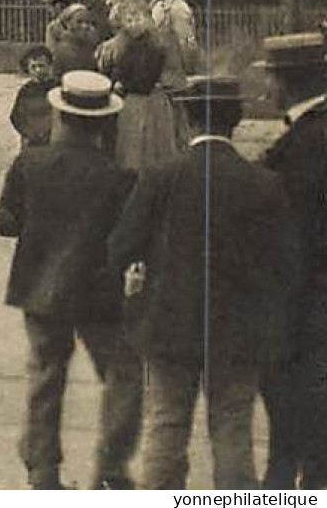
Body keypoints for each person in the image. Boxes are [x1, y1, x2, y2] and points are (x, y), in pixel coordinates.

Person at [108, 76, 296, 490]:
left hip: (169, 323)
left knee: (166, 424)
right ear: (237, 120)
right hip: (239, 329)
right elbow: (285, 261)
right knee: (232, 428)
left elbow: (121, 245)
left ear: (187, 119)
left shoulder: (160, 176)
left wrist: (140, 272)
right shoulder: (264, 183)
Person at [0, 70, 142, 491]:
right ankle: (112, 466)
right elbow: (128, 239)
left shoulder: (29, 163)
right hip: (98, 291)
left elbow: (5, 222)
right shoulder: (119, 178)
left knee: (45, 374)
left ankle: (42, 469)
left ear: (61, 116)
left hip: (39, 287)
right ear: (104, 123)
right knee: (123, 372)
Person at [252, 32, 327, 489]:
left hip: (305, 304)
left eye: (272, 78)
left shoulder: (308, 143)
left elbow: (297, 233)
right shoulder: (308, 132)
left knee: (298, 414)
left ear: (290, 82)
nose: (267, 89)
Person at [95, 0, 185, 174]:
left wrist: (124, 84)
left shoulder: (156, 44)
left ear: (147, 19)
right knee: (132, 145)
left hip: (149, 100)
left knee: (151, 146)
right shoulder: (122, 45)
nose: (134, 24)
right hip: (132, 102)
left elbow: (149, 77)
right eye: (128, 20)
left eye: (138, 19)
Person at [144, 0, 198, 73]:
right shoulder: (158, 6)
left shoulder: (178, 8)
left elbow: (186, 43)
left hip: (174, 72)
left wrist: (188, 70)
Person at [9, 44, 58, 151]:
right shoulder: (25, 91)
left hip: (53, 140)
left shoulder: (57, 88)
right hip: (31, 141)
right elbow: (16, 117)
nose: (38, 70)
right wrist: (28, 133)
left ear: (50, 66)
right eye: (34, 67)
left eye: (41, 66)